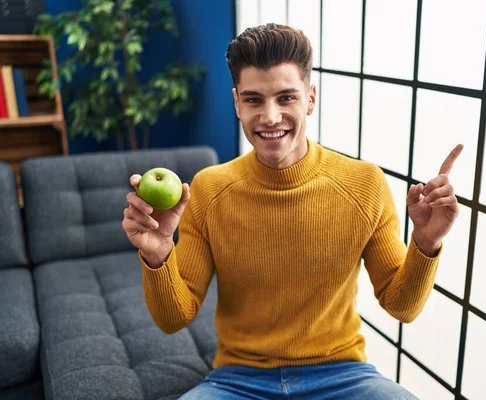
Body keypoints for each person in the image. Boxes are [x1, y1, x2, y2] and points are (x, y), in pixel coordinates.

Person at [122, 23, 463, 400]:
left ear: (310, 98)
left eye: (286, 98)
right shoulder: (209, 188)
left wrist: (426, 242)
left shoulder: (365, 184)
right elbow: (174, 318)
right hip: (237, 379)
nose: (270, 117)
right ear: (237, 103)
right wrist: (157, 254)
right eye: (254, 100)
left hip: (344, 376)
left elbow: (402, 307)